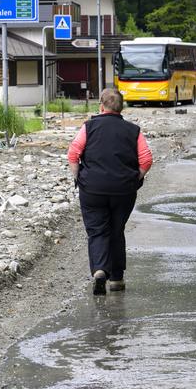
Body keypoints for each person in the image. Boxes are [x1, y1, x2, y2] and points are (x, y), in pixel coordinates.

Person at [67, 88, 153, 294]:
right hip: (124, 190)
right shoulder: (134, 130)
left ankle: (99, 270)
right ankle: (116, 279)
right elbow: (146, 159)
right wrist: (134, 179)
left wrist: (78, 177)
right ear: (121, 107)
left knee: (97, 230)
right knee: (116, 229)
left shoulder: (89, 127)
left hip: (93, 190)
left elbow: (73, 154)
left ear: (101, 106)